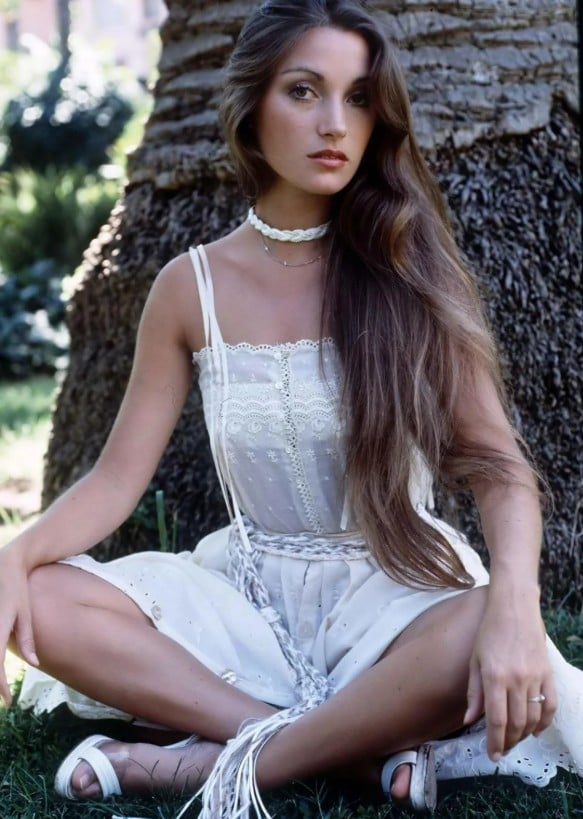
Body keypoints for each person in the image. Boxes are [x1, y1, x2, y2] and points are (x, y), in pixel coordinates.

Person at [1, 1, 581, 816]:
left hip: (398, 595)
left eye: (356, 98)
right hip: (247, 597)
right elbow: (112, 481)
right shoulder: (188, 286)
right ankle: (339, 749)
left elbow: (497, 467)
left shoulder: (411, 271)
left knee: (478, 626)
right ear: (251, 107)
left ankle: (190, 764)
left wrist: (516, 609)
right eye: (304, 91)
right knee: (50, 598)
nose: (333, 124)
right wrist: (12, 559)